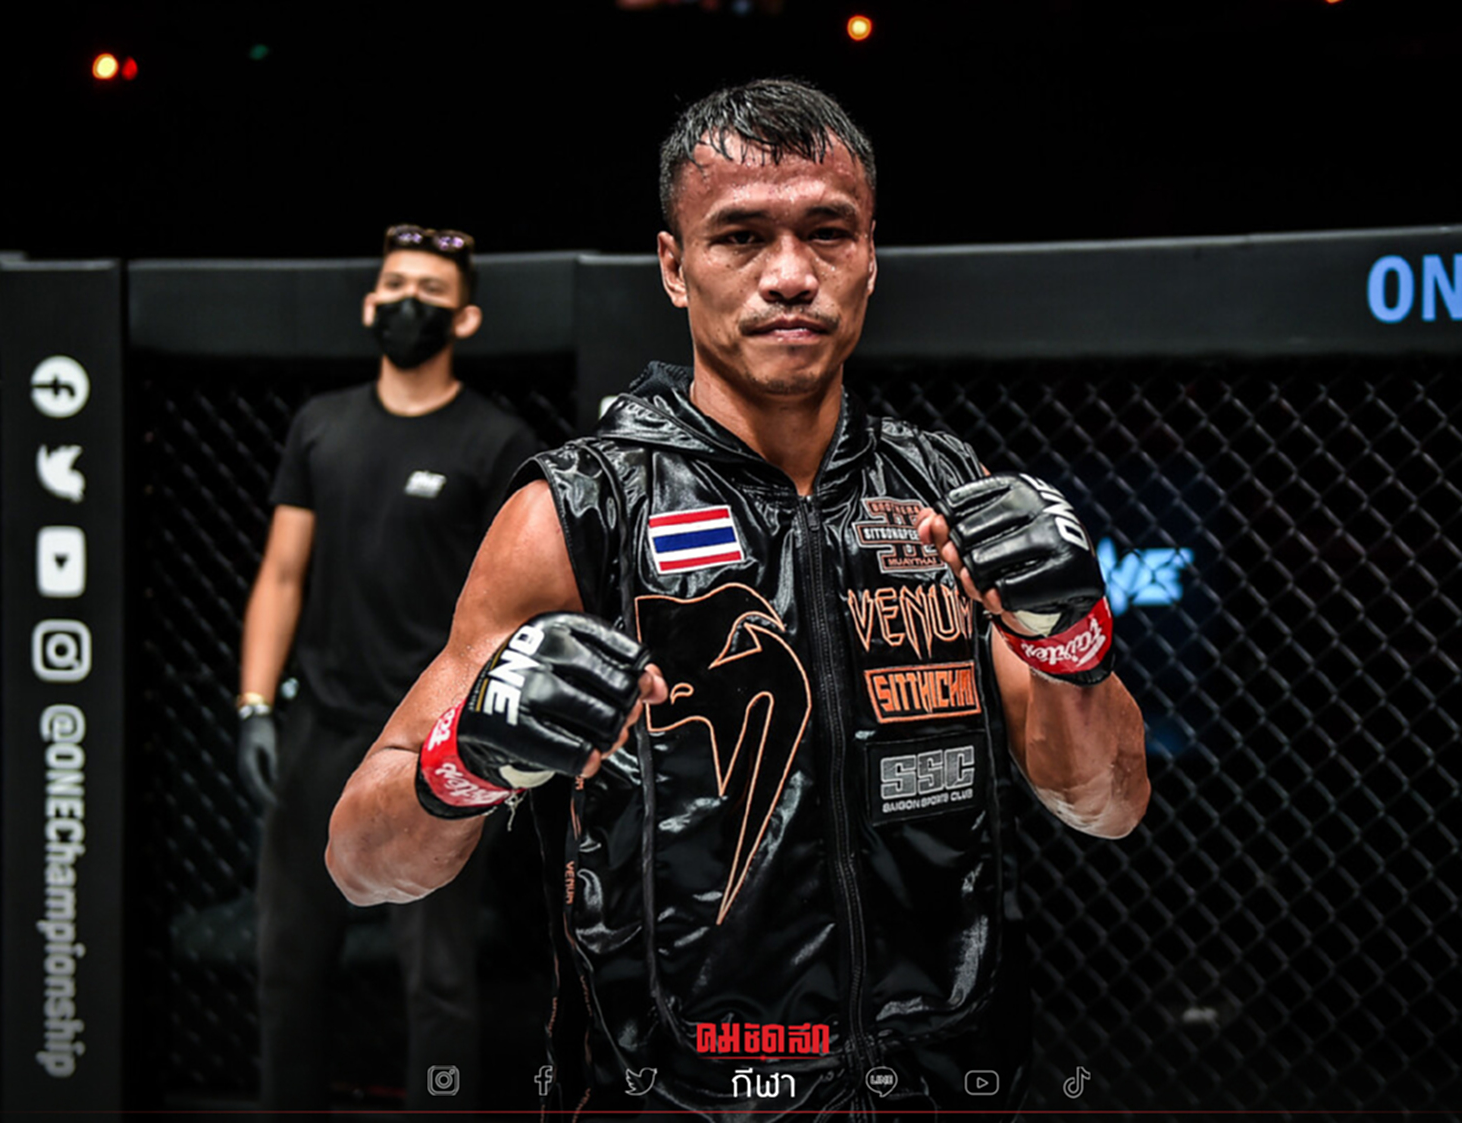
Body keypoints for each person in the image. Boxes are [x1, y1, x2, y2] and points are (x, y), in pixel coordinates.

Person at [327, 82, 1148, 1119]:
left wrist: (1071, 639)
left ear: (870, 255)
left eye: (827, 233)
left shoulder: (950, 496)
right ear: (675, 267)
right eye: (741, 237)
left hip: (945, 1087)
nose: (791, 275)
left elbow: (1106, 805)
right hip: (678, 1097)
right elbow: (359, 863)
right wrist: (470, 756)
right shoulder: (578, 514)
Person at [237, 224, 540, 1110]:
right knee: (286, 963)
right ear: (371, 303)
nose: (410, 303)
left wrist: (481, 735)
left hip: (428, 739)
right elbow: (281, 574)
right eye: (397, 286)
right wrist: (255, 704)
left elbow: (511, 601)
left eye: (431, 291)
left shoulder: (495, 440)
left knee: (438, 977)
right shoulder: (321, 425)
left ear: (465, 317)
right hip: (320, 728)